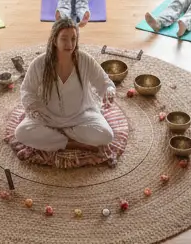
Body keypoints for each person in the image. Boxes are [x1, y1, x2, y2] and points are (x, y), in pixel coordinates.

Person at [14, 19, 116, 153]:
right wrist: (35, 108)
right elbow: (27, 90)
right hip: (48, 117)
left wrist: (109, 90)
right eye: (64, 39)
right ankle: (72, 143)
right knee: (21, 132)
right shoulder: (39, 63)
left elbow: (104, 82)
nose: (70, 44)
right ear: (54, 40)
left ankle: (58, 136)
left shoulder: (85, 60)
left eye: (73, 39)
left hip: (80, 116)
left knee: (106, 135)